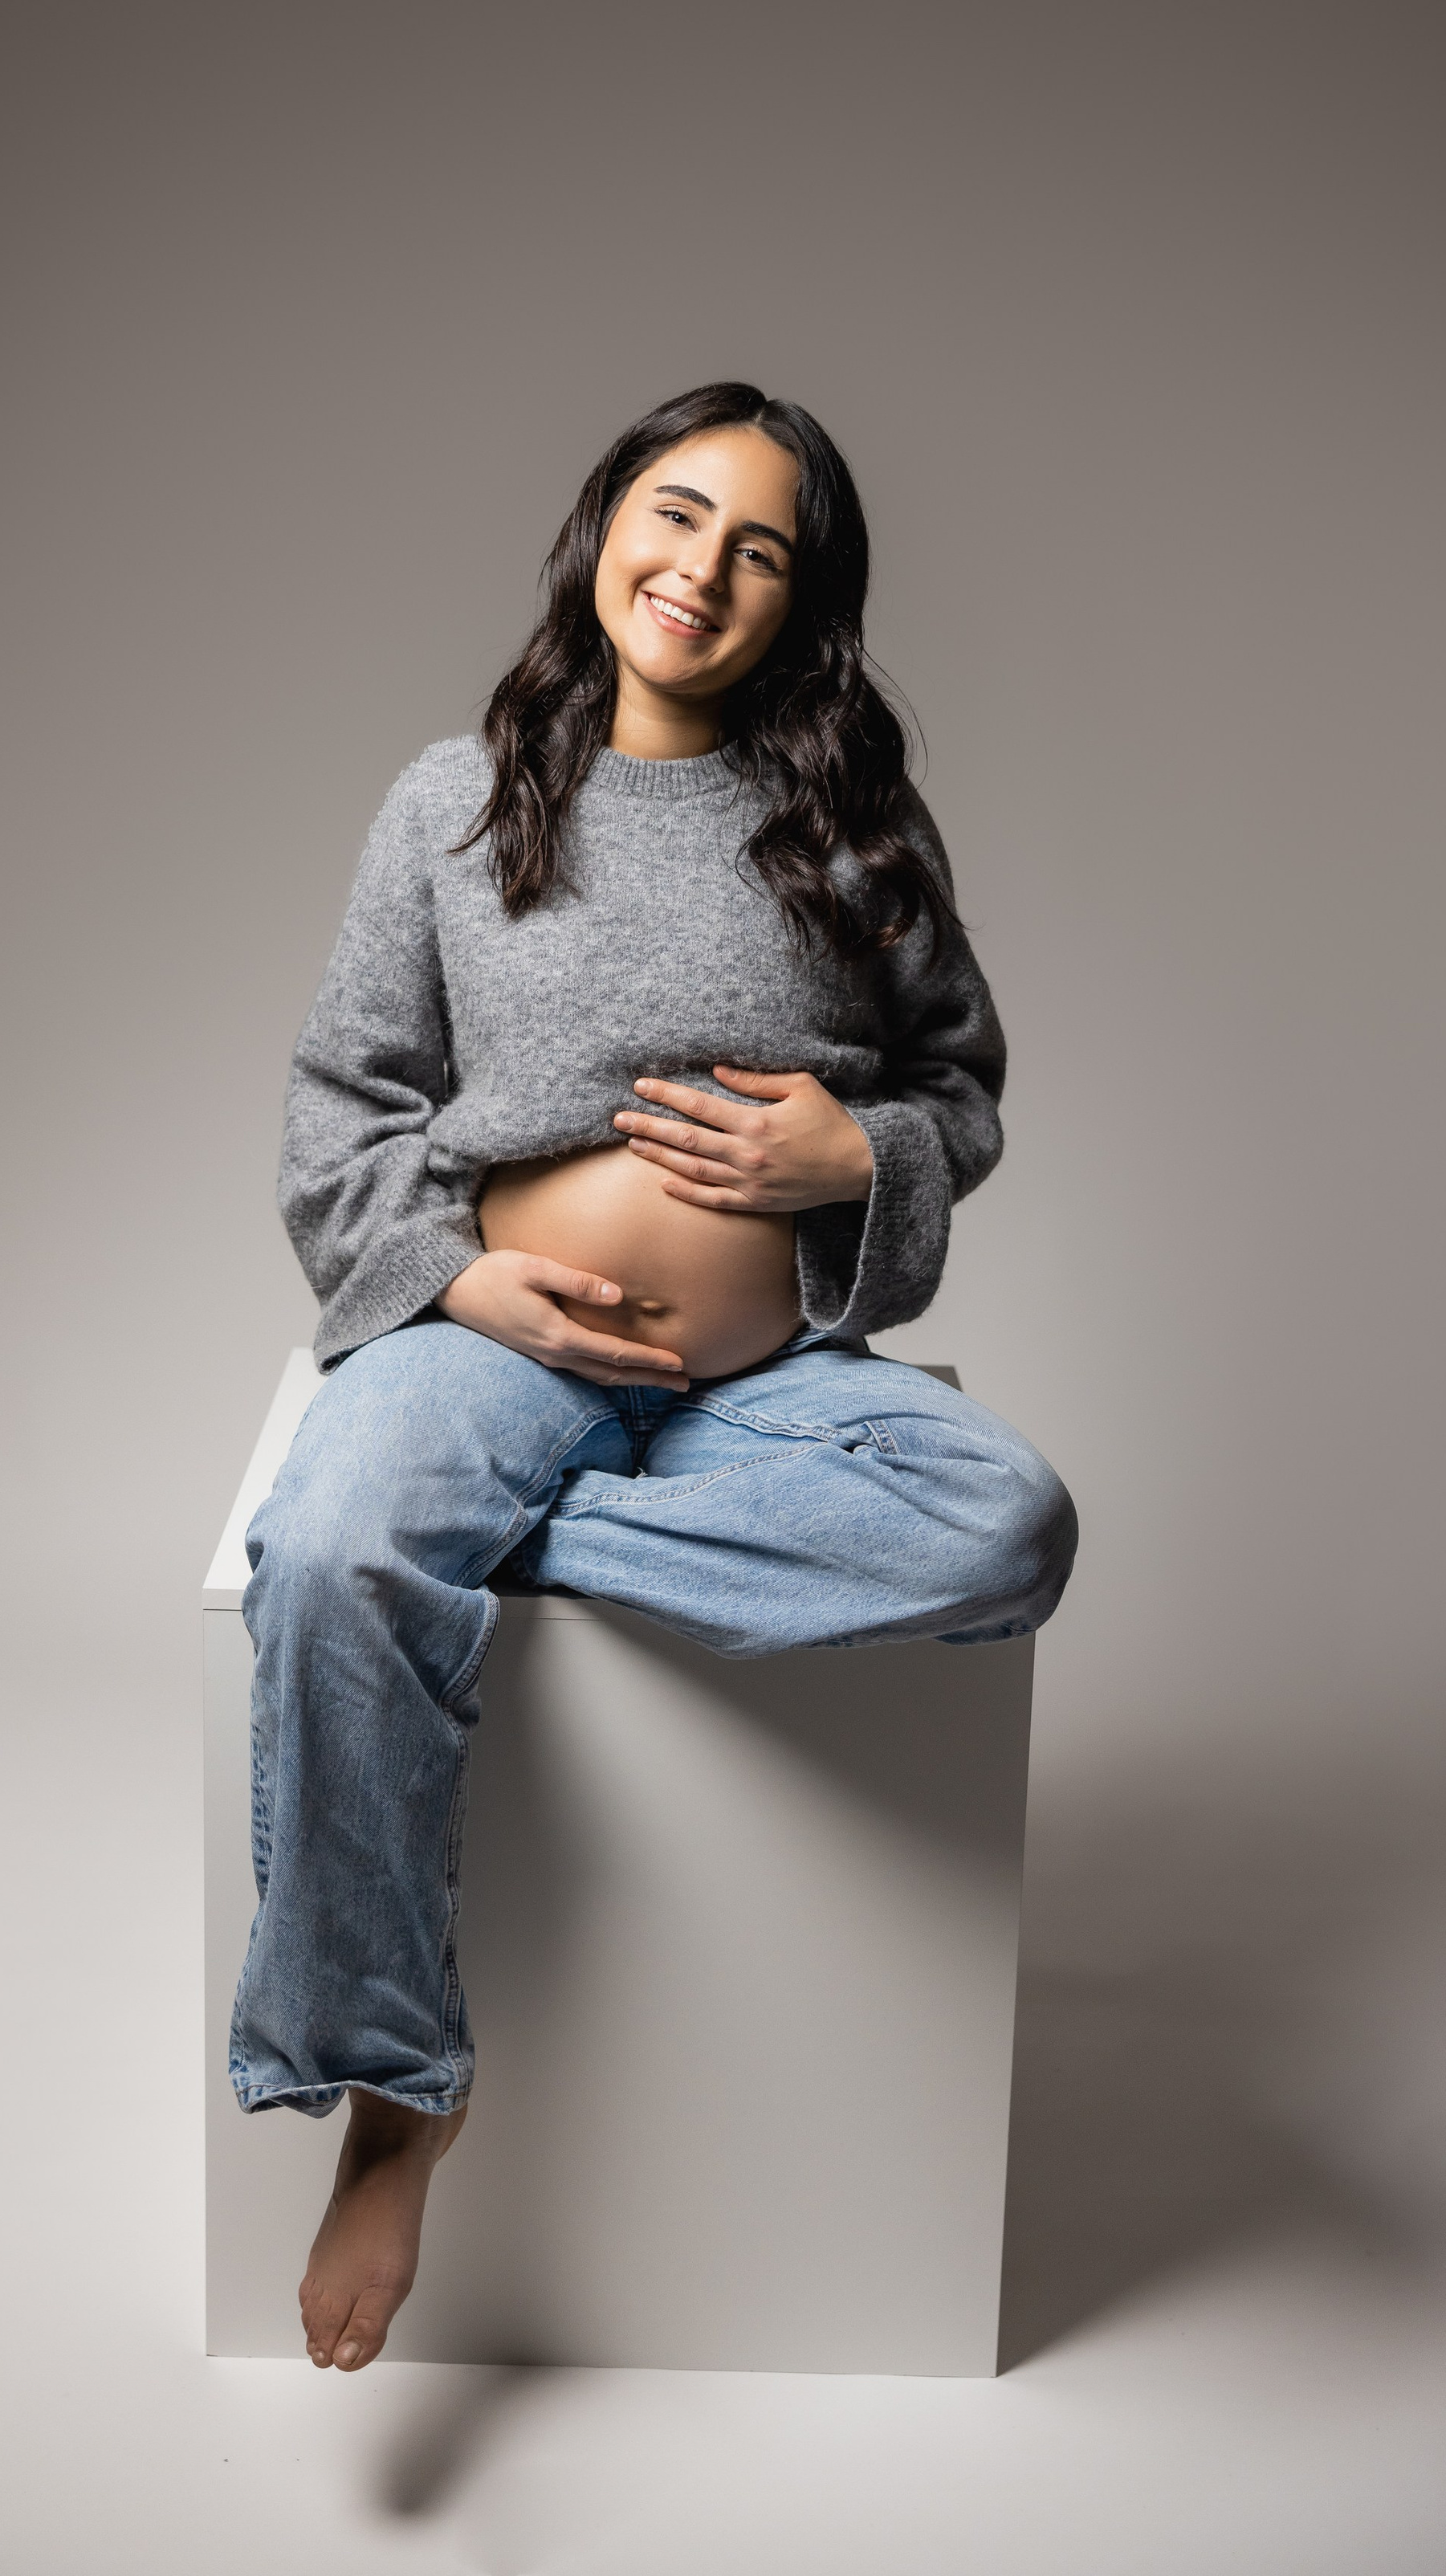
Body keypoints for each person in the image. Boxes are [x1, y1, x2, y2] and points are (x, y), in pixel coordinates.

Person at [231, 381, 1077, 2373]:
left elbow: (959, 1090)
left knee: (1006, 1521)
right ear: (602, 518)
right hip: (499, 1353)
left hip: (753, 1388)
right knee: (339, 1551)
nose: (700, 567)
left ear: (802, 602)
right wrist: (459, 1287)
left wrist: (848, 1158)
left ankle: (501, 1542)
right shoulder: (450, 800)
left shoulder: (852, 832)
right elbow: (340, 1107)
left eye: (760, 546)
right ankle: (393, 2091)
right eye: (675, 512)